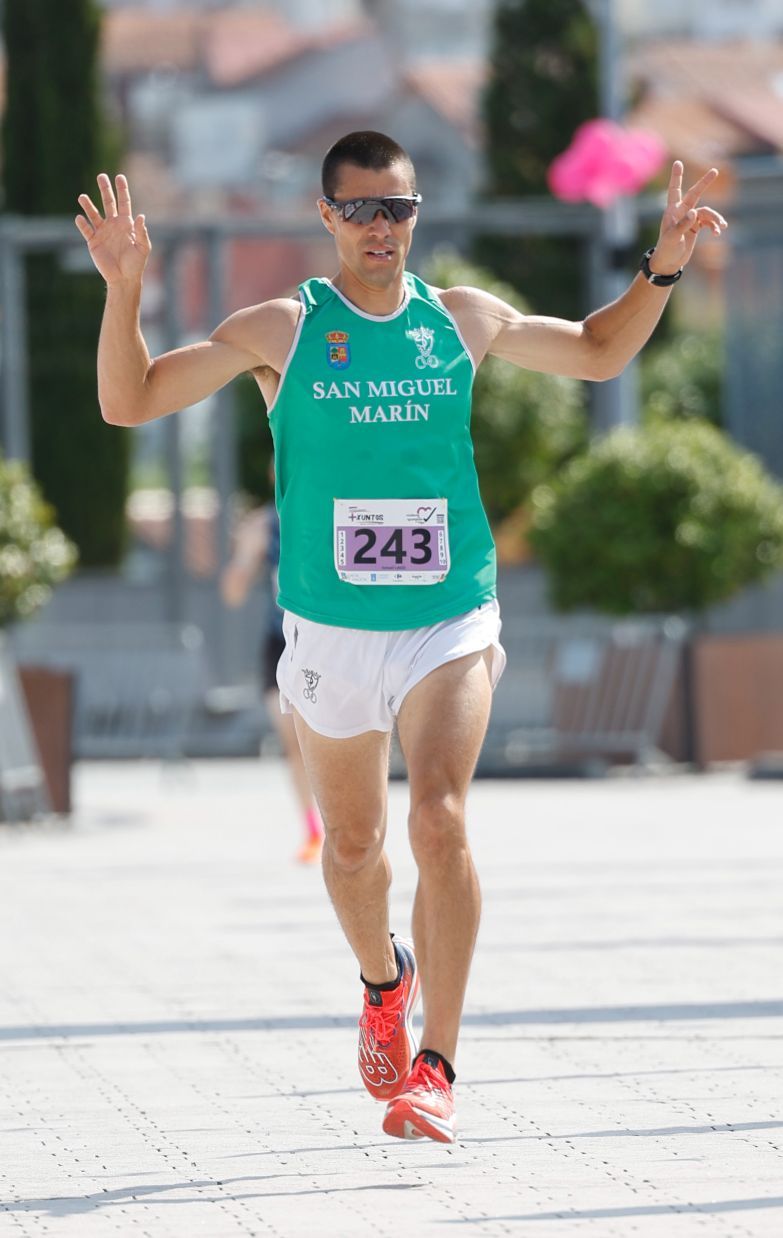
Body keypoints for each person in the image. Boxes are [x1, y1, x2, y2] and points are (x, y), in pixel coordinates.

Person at [76, 131, 727, 1144]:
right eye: (365, 210)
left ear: (419, 216)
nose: (385, 228)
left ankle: (439, 1062)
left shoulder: (460, 318)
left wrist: (663, 269)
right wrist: (123, 287)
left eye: (402, 209)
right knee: (354, 843)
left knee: (439, 816)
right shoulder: (284, 328)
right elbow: (130, 400)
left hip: (447, 614)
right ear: (328, 217)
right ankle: (384, 979)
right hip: (330, 626)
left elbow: (599, 351)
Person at [220, 472, 324, 864]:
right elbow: (232, 593)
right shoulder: (266, 524)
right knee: (293, 742)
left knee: (332, 737)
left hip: (328, 642)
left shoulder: (330, 509)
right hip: (280, 643)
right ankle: (313, 829)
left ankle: (346, 823)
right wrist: (246, 556)